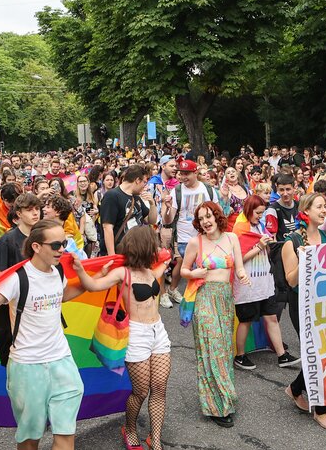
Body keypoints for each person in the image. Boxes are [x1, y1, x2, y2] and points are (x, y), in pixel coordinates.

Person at [0, 220, 87, 450]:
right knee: (29, 438)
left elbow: (61, 296)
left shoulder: (58, 271)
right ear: (36, 246)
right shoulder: (17, 278)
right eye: (56, 245)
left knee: (66, 432)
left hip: (62, 362)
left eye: (64, 243)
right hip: (27, 367)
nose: (62, 249)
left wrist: (89, 283)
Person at [75, 226, 170, 450]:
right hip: (136, 334)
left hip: (159, 332)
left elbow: (160, 271)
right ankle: (129, 429)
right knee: (141, 391)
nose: (156, 246)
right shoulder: (122, 273)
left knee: (160, 388)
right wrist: (80, 269)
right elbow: (92, 286)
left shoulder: (150, 270)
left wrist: (167, 259)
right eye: (153, 243)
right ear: (144, 245)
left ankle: (155, 439)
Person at [181, 202, 249, 428]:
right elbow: (183, 270)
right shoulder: (195, 242)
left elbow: (238, 267)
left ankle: (223, 401)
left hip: (225, 300)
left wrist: (242, 275)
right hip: (204, 299)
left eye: (208, 216)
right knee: (212, 350)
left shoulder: (231, 239)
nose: (206, 222)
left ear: (217, 216)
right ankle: (215, 406)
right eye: (201, 219)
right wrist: (193, 273)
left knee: (223, 351)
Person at [280, 193, 326, 430]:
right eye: (319, 206)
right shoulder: (292, 242)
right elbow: (291, 281)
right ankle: (320, 409)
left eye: (325, 206)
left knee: (324, 350)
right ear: (306, 210)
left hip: (324, 301)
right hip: (302, 304)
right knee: (315, 352)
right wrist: (304, 259)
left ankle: (295, 388)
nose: (324, 210)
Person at [231, 195, 298, 370]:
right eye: (257, 213)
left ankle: (282, 355)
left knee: (272, 318)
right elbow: (239, 258)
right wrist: (260, 246)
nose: (260, 216)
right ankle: (239, 356)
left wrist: (269, 244)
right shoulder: (240, 228)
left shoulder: (260, 226)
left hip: (264, 282)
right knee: (245, 320)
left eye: (262, 213)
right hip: (247, 284)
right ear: (248, 210)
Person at [160, 159, 219, 308]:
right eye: (181, 174)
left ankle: (175, 290)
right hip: (183, 238)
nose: (183, 177)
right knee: (192, 267)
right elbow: (168, 219)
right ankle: (194, 299)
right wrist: (167, 208)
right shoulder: (177, 191)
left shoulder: (208, 190)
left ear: (195, 173)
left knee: (187, 266)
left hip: (205, 237)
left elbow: (217, 212)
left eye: (187, 174)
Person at [99, 165, 156, 256]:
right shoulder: (112, 196)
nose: (145, 186)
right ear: (137, 180)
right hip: (121, 252)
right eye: (144, 182)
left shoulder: (136, 197)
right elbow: (107, 228)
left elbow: (151, 221)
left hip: (136, 251)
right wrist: (112, 256)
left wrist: (152, 204)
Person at [264, 173, 298, 241]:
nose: (285, 193)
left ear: (294, 189)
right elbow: (272, 239)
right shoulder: (272, 210)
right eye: (281, 190)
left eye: (288, 189)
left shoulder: (299, 206)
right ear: (277, 190)